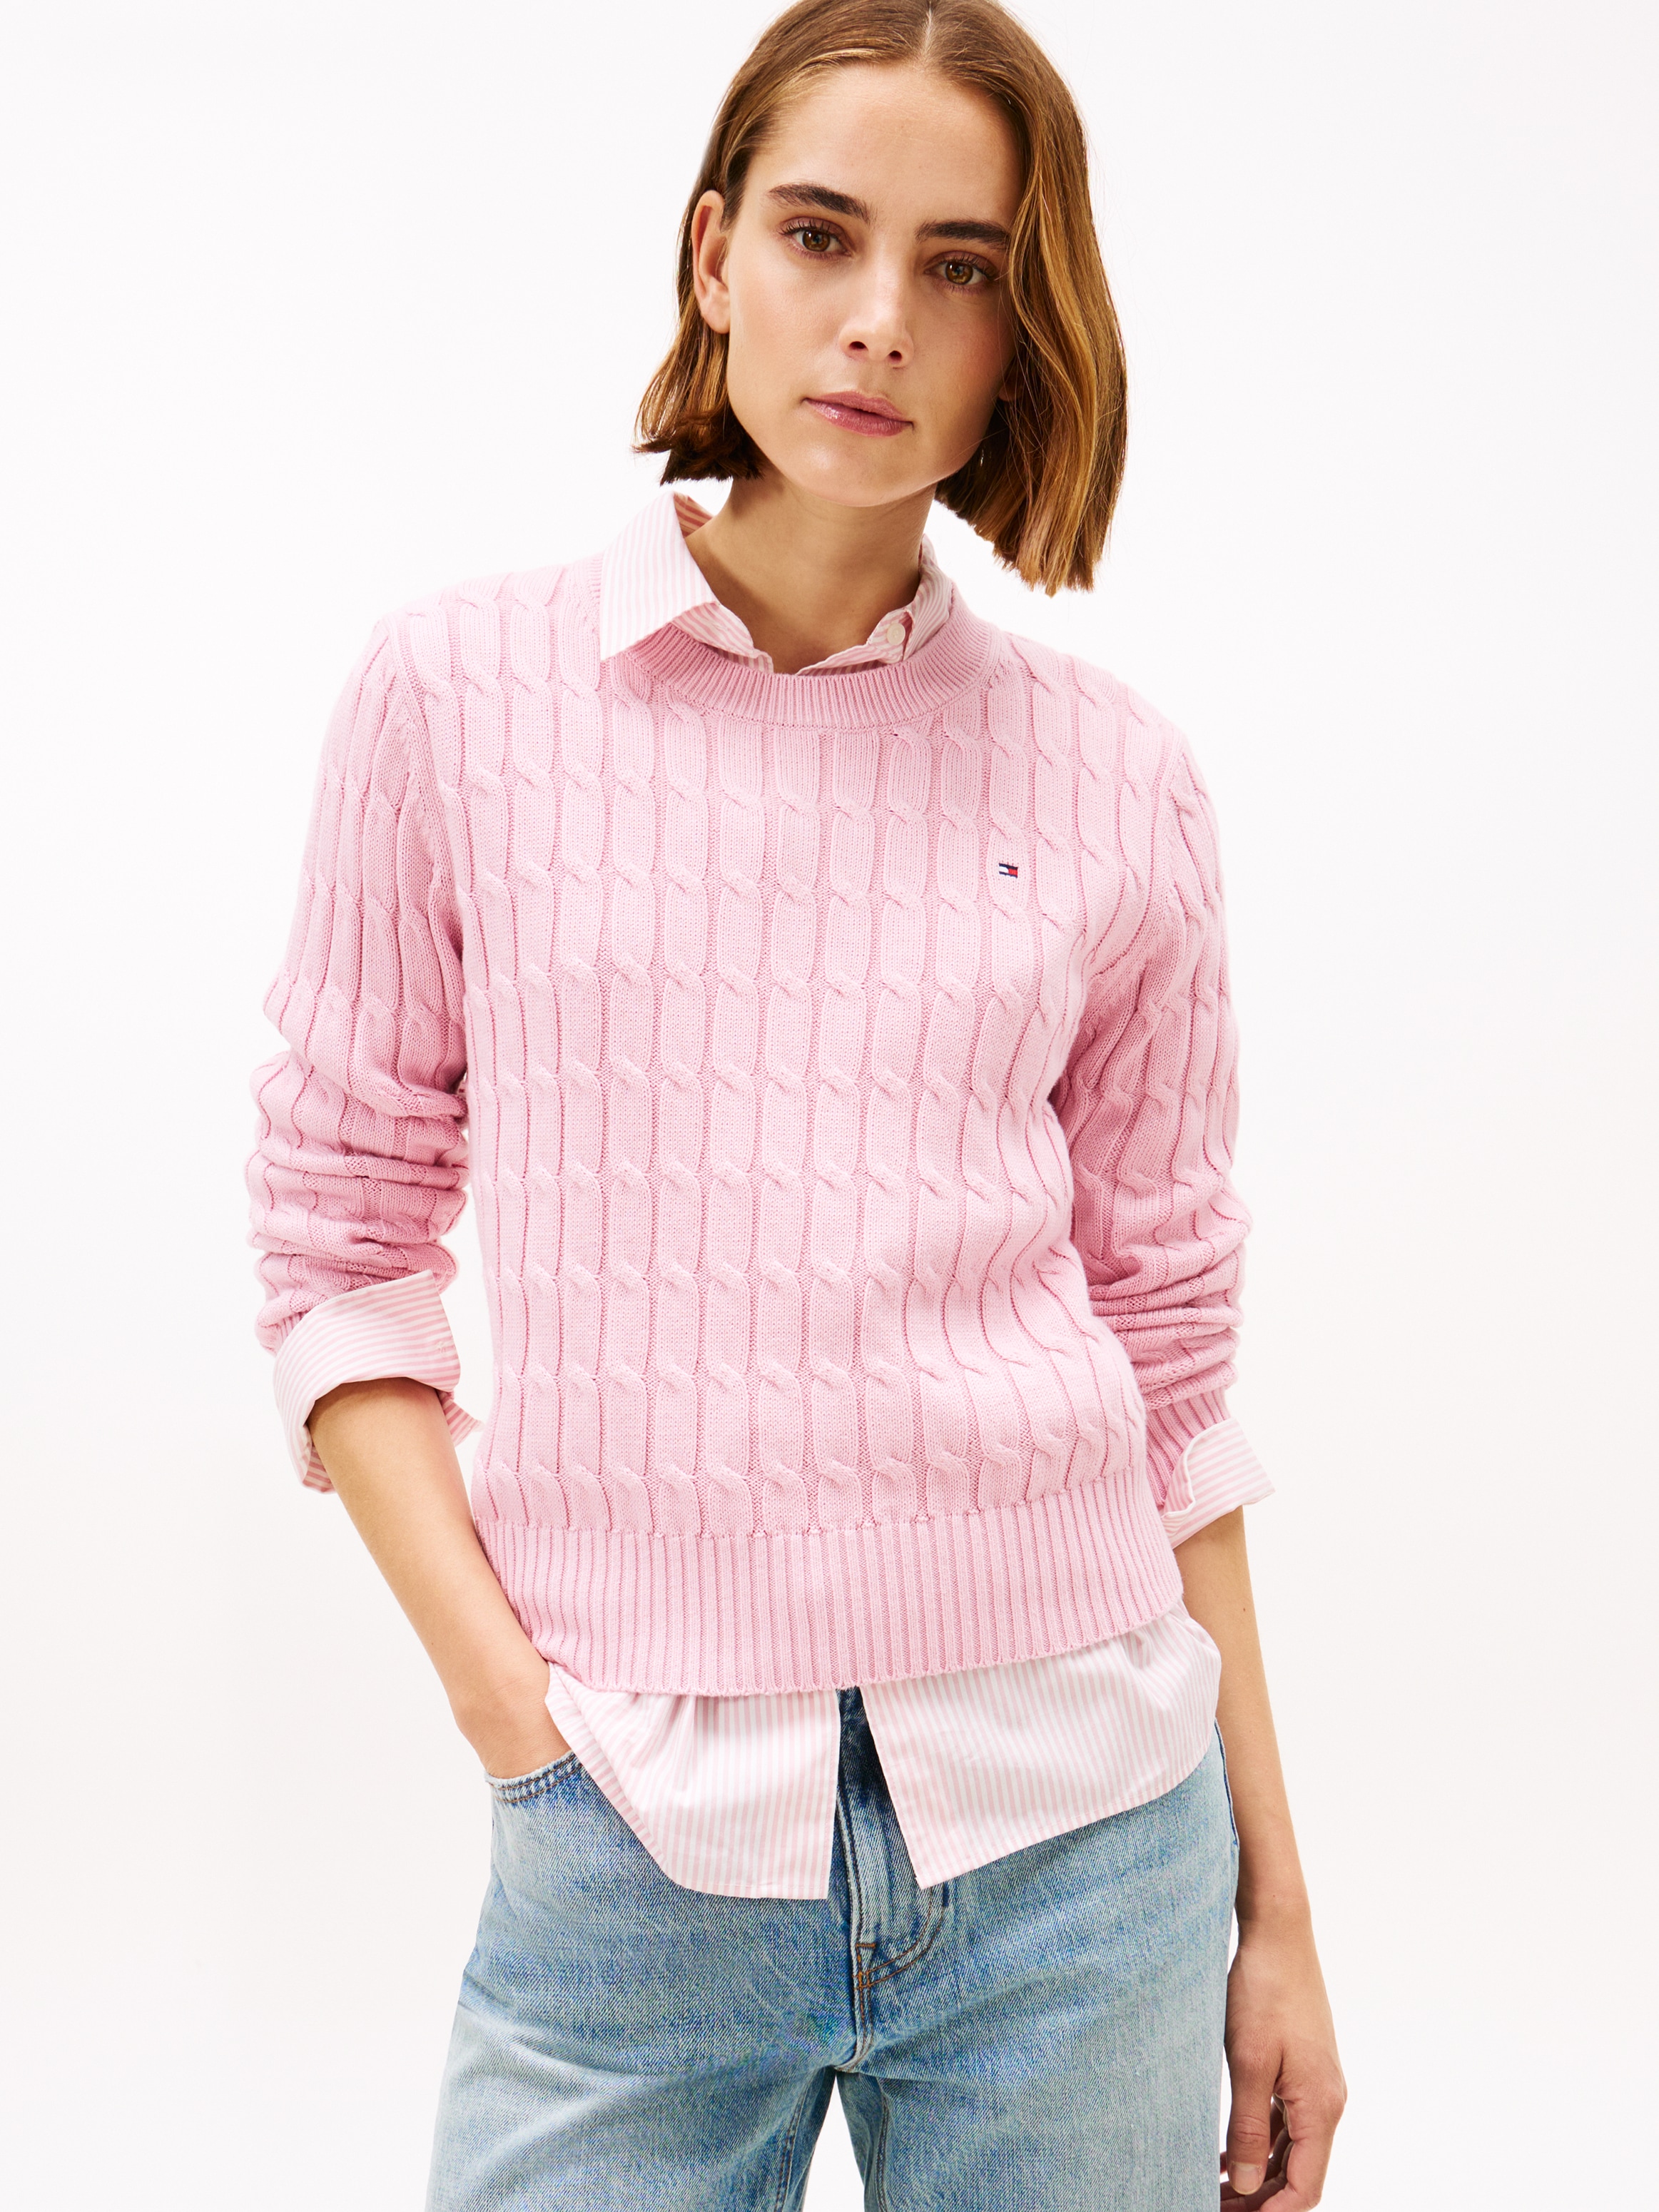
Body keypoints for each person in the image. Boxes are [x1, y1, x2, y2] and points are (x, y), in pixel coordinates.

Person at [247, 1, 1347, 2203]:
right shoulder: (457, 697)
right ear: (713, 253)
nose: (879, 320)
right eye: (824, 233)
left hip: (1086, 1848)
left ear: (1026, 329)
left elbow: (1168, 1364)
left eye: (963, 266)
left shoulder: (1114, 773)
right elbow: (339, 1250)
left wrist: (1280, 1915)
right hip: (629, 1840)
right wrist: (517, 1718)